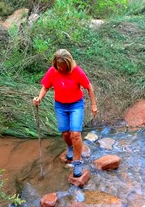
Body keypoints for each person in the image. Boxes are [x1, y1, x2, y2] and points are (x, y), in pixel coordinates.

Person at [33, 49, 98, 178]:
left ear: (69, 64)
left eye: (63, 67)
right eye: (58, 66)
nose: (60, 69)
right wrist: (39, 98)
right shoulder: (52, 71)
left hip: (76, 105)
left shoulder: (77, 71)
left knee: (75, 134)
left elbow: (89, 87)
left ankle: (77, 161)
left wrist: (93, 105)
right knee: (65, 133)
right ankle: (70, 147)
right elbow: (45, 86)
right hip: (60, 106)